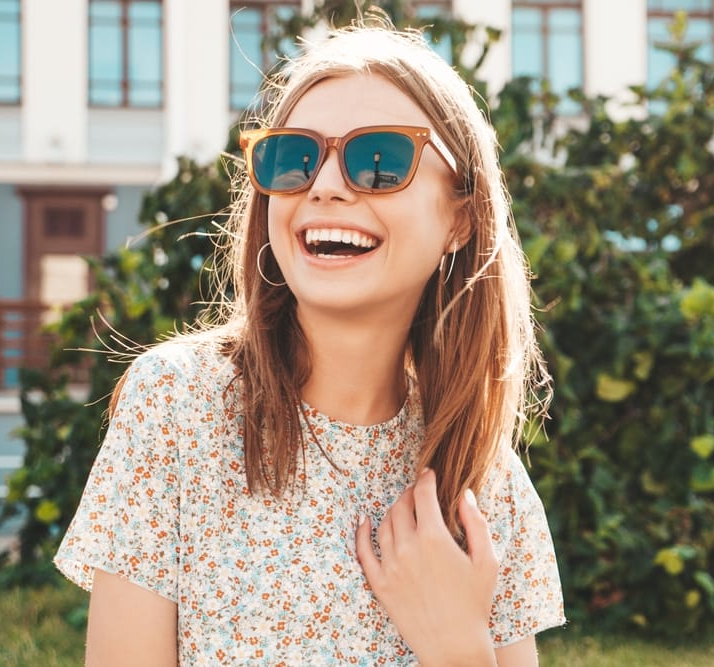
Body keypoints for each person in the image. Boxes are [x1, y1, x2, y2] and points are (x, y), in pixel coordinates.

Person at [55, 19, 565, 667]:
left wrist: (458, 647)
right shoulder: (178, 405)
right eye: (293, 157)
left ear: (460, 216)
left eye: (378, 159)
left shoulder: (487, 485)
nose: (323, 185)